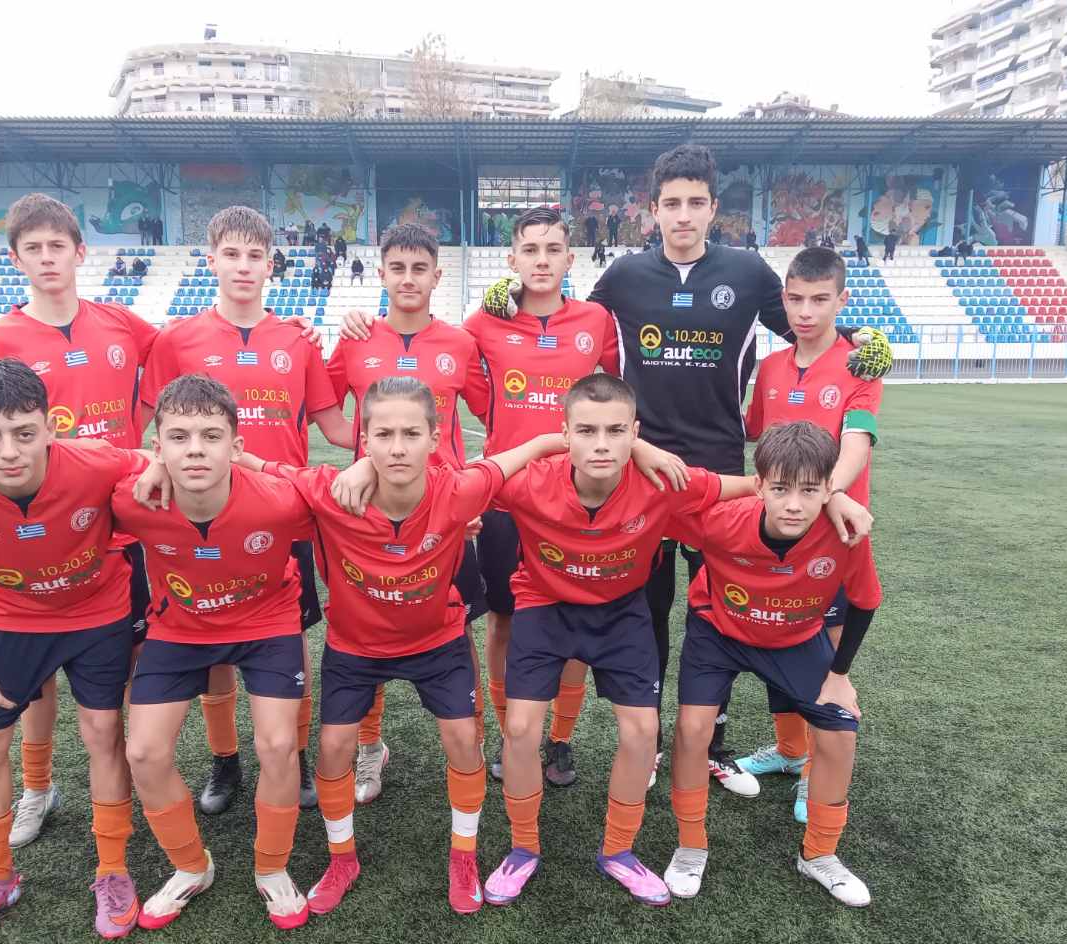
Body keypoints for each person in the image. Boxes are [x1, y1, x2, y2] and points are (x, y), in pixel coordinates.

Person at [484, 144, 885, 796]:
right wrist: (507, 298)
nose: (683, 214)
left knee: (723, 607)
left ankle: (713, 743)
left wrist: (863, 339)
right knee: (646, 608)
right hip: (639, 472)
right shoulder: (625, 276)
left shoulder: (747, 272)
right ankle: (649, 746)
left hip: (720, 470)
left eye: (696, 202)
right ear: (653, 210)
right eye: (671, 203)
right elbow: (569, 316)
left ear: (713, 208)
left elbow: (809, 325)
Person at [240, 377, 568, 915]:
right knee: (333, 748)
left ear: (435, 439)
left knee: (464, 738)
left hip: (436, 641)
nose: (397, 448)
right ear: (363, 440)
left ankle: (463, 856)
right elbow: (257, 466)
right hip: (355, 645)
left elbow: (526, 451)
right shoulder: (329, 490)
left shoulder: (458, 490)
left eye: (411, 434)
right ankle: (341, 859)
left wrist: (627, 446)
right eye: (384, 434)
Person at [479, 375, 755, 908]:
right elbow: (455, 481)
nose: (601, 444)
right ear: (565, 434)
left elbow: (745, 487)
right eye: (586, 431)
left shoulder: (662, 481)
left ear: (635, 433)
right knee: (519, 729)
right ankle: (522, 848)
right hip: (544, 605)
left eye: (615, 431)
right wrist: (538, 445)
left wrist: (830, 497)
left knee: (642, 731)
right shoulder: (531, 481)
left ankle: (619, 851)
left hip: (622, 612)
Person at [0, 359, 157, 944]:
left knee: (103, 733)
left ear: (51, 426)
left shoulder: (94, 461)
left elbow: (149, 460)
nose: (9, 452)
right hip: (10, 618)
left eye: (25, 433)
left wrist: (152, 470)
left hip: (98, 612)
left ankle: (113, 871)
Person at [0, 193, 160, 849]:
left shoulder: (121, 323)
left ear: (80, 252)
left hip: (119, 524)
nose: (47, 258)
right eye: (33, 248)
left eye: (57, 246)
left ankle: (128, 777)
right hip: (39, 529)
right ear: (15, 259)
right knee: (35, 671)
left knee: (118, 667)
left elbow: (189, 352)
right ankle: (38, 788)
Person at [139, 204, 353, 815]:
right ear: (211, 261)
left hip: (280, 518)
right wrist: (152, 463)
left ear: (270, 265)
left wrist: (406, 437)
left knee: (290, 635)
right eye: (231, 254)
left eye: (254, 255)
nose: (243, 266)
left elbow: (337, 428)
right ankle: (225, 758)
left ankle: (295, 755)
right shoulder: (175, 340)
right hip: (195, 518)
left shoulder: (298, 340)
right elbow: (148, 428)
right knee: (209, 636)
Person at [112, 374, 317, 930]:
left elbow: (338, 498)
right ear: (158, 446)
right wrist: (145, 464)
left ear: (236, 445)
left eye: (211, 436)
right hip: (180, 628)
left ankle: (272, 867)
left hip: (266, 621)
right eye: (179, 438)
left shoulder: (277, 500)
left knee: (278, 745)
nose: (196, 450)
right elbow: (72, 462)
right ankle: (190, 866)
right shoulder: (132, 500)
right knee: (143, 754)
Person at [665, 420, 879, 906]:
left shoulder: (845, 531)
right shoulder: (721, 520)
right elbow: (657, 501)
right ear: (759, 485)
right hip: (718, 632)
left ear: (829, 488)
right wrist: (641, 451)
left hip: (795, 638)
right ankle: (690, 846)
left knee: (841, 730)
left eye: (809, 490)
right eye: (780, 489)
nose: (794, 505)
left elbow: (865, 601)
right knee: (692, 731)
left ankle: (819, 854)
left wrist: (840, 676)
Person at [328, 223, 494, 805]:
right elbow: (327, 413)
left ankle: (471, 734)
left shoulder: (460, 344)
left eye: (419, 268)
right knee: (363, 628)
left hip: (446, 519)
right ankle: (370, 747)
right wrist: (360, 460)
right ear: (381, 274)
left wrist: (470, 493)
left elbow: (494, 415)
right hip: (368, 517)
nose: (407, 279)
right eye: (397, 268)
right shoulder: (355, 338)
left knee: (457, 625)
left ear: (436, 276)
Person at [462, 206, 620, 788]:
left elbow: (616, 391)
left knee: (573, 617)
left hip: (579, 498)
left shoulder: (596, 320)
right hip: (507, 498)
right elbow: (468, 386)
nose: (541, 260)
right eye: (530, 249)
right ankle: (512, 733)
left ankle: (559, 739)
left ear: (570, 258)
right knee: (504, 618)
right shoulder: (483, 322)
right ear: (512, 258)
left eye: (553, 249)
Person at [738, 247, 881, 821]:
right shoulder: (773, 367)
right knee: (777, 639)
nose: (805, 311)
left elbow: (856, 443)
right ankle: (790, 751)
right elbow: (752, 432)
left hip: (834, 535)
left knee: (826, 659)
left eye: (820, 300)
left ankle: (816, 774)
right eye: (796, 299)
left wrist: (828, 494)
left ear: (842, 300)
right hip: (776, 534)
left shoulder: (860, 364)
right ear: (783, 299)